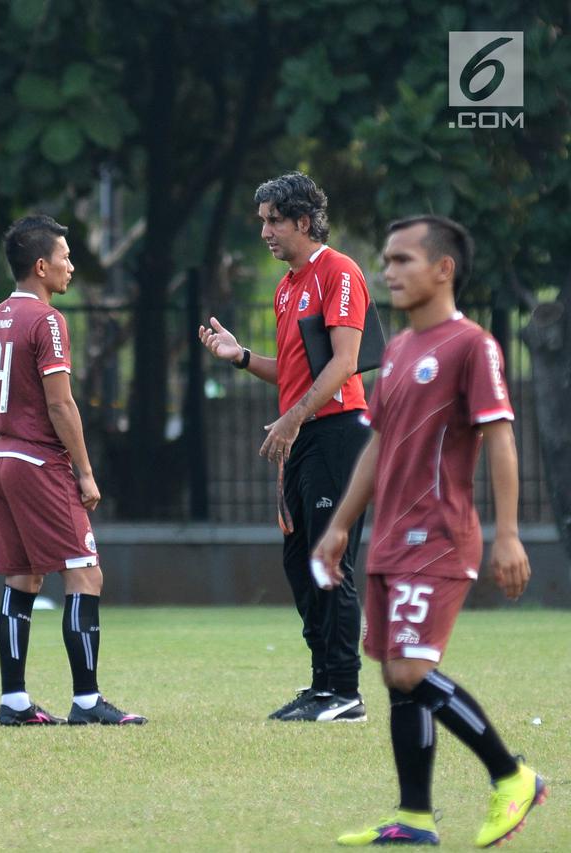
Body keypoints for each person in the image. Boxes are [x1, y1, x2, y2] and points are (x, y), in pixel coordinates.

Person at [313, 215, 547, 846]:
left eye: (402, 260)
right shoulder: (398, 351)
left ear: (443, 269)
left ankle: (513, 774)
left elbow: (499, 437)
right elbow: (377, 447)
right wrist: (339, 528)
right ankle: (414, 818)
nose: (387, 270)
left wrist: (508, 533)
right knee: (395, 674)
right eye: (385, 260)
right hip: (392, 535)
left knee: (412, 672)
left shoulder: (472, 345)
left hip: (439, 535)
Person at [0, 214, 145, 726]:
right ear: (41, 266)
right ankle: (87, 701)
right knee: (85, 573)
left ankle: (14, 703)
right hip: (39, 462)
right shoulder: (48, 321)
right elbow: (61, 407)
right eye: (65, 257)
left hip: (4, 462)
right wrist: (85, 471)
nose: (71, 266)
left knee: (23, 578)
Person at [199, 172, 371, 722]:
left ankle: (346, 691)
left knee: (329, 561)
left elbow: (344, 365)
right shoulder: (285, 287)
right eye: (262, 222)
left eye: (274, 220)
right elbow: (296, 375)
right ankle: (323, 686)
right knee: (300, 564)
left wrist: (292, 421)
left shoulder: (339, 273)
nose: (266, 232)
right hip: (304, 435)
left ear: (303, 220)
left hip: (339, 432)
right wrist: (241, 356)